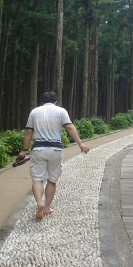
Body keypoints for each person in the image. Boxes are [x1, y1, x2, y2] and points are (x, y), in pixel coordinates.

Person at [18, 91, 89, 220]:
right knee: (52, 180)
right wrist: (80, 144)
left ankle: (39, 202)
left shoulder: (34, 112)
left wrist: (24, 150)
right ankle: (46, 207)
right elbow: (69, 127)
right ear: (56, 102)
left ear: (42, 102)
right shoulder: (61, 111)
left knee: (37, 179)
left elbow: (29, 131)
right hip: (55, 149)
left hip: (39, 148)